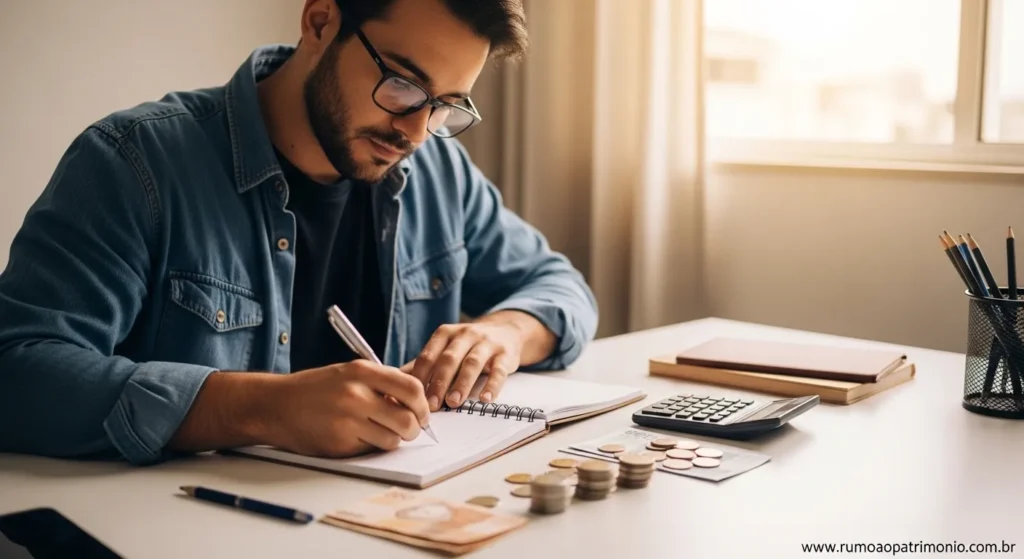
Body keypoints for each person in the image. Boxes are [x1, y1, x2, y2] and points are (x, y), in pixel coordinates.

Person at [0, 0, 597, 465]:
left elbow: (559, 286)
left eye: (445, 105)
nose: (415, 130)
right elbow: (18, 371)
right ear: (319, 21)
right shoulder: (136, 163)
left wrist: (505, 334)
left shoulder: (438, 172)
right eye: (402, 84)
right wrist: (262, 409)